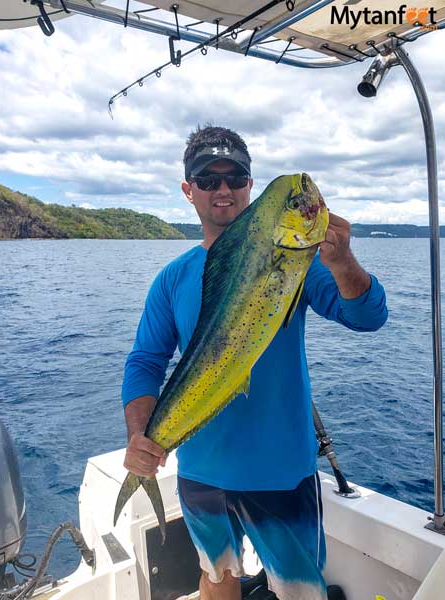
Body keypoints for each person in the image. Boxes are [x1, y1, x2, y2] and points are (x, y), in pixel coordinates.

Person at [121, 125, 388, 600]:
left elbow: (367, 317)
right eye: (208, 179)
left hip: (281, 470)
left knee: (300, 591)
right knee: (217, 577)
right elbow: (145, 361)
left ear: (249, 185)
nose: (222, 189)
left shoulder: (299, 262)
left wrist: (343, 261)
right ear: (189, 190)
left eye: (234, 177)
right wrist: (140, 435)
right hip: (200, 469)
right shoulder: (172, 278)